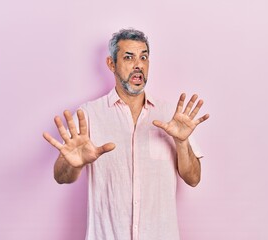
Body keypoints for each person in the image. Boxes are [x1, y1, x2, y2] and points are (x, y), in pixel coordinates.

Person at [43, 28, 209, 240]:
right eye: (129, 57)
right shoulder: (89, 115)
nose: (138, 65)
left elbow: (193, 179)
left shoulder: (171, 115)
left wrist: (182, 142)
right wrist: (74, 164)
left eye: (144, 57)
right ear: (111, 64)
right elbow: (61, 176)